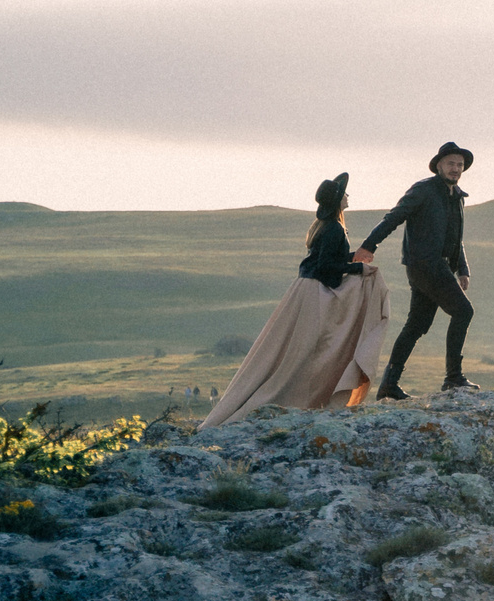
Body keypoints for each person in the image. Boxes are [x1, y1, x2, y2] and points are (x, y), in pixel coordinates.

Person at [199, 173, 390, 429]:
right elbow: (326, 267)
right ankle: (295, 397)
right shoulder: (334, 227)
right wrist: (358, 270)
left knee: (291, 351)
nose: (348, 196)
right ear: (337, 201)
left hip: (304, 289)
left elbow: (329, 258)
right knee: (304, 353)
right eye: (345, 193)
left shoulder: (326, 227)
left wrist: (355, 257)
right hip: (313, 293)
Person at [355, 141, 478, 400]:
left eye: (460, 165)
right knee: (463, 311)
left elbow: (456, 237)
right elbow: (394, 217)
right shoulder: (423, 190)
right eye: (451, 164)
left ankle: (389, 384)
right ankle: (453, 378)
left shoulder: (457, 197)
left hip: (437, 266)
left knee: (416, 325)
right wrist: (369, 246)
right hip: (425, 264)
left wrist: (462, 268)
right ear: (439, 166)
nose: (456, 169)